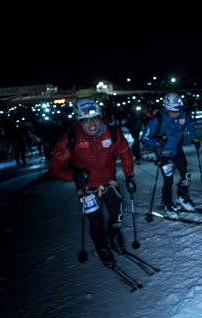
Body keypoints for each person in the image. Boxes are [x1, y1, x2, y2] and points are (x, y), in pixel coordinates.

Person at [49, 98, 136, 269]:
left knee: (117, 217)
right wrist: (74, 176)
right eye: (86, 120)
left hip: (109, 182)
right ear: (79, 121)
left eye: (95, 118)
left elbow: (125, 154)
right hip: (87, 187)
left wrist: (130, 177)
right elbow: (54, 169)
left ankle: (113, 235)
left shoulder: (111, 132)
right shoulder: (70, 139)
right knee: (95, 222)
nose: (92, 124)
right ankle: (102, 248)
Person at [141, 92, 200, 218]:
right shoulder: (157, 120)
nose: (177, 114)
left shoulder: (182, 115)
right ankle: (168, 205)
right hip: (164, 153)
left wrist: (194, 138)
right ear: (166, 108)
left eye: (178, 111)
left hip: (177, 150)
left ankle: (182, 197)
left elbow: (189, 124)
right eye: (173, 111)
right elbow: (144, 139)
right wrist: (157, 142)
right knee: (168, 180)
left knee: (186, 175)